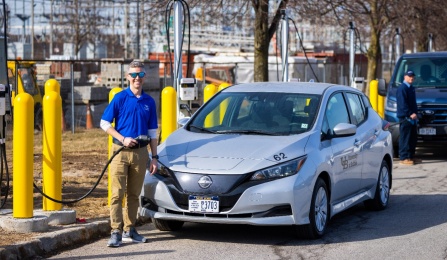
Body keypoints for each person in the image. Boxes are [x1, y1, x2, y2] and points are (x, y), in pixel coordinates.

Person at [100, 60, 159, 247]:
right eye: (133, 75)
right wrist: (122, 138)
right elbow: (104, 124)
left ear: (144, 77)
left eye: (140, 75)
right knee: (117, 194)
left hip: (141, 153)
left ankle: (130, 229)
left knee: (134, 195)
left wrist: (154, 157)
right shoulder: (120, 98)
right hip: (120, 151)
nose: (136, 78)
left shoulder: (149, 101)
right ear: (128, 77)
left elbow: (152, 133)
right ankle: (116, 231)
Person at [396, 70, 420, 165]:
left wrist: (415, 113)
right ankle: (403, 157)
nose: (411, 78)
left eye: (413, 76)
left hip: (412, 117)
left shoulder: (411, 88)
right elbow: (403, 104)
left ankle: (410, 156)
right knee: (405, 137)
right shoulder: (402, 88)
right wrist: (410, 113)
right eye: (409, 76)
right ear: (405, 77)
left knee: (412, 137)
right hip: (406, 117)